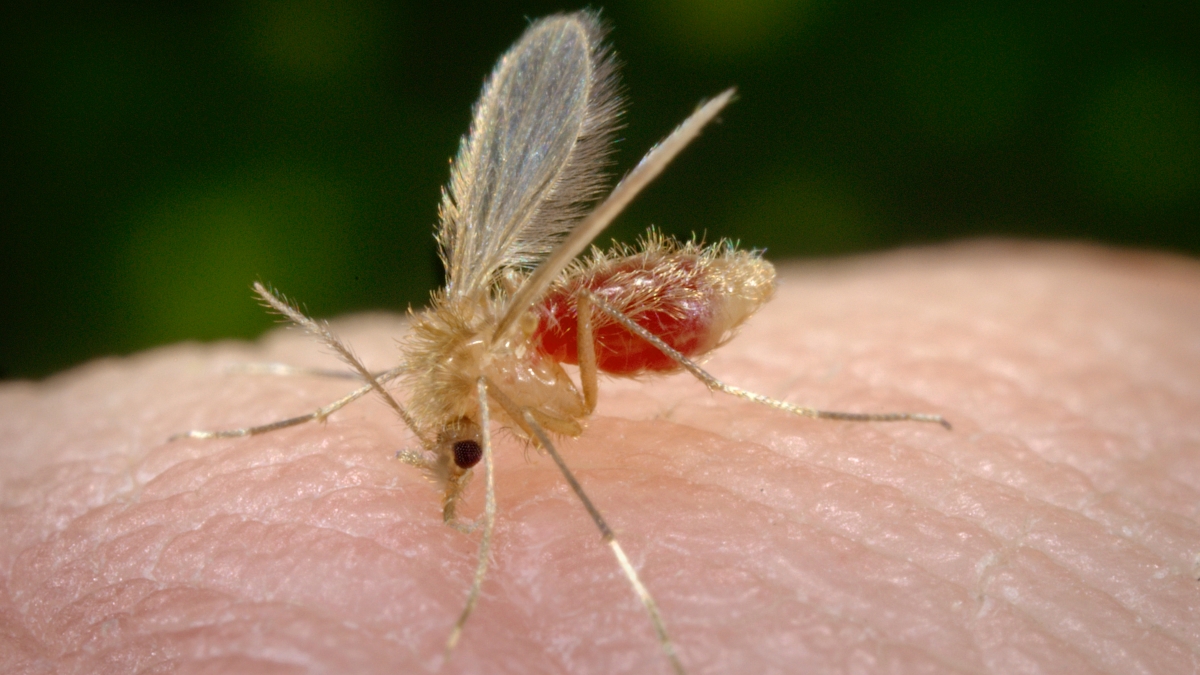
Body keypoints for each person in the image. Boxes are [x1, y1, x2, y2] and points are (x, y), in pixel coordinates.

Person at [2, 241, 1197, 674]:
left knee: (565, 438)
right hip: (579, 322)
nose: (461, 451)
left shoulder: (513, 385)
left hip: (654, 313)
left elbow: (543, 435)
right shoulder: (470, 383)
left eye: (458, 445)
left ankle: (745, 405)